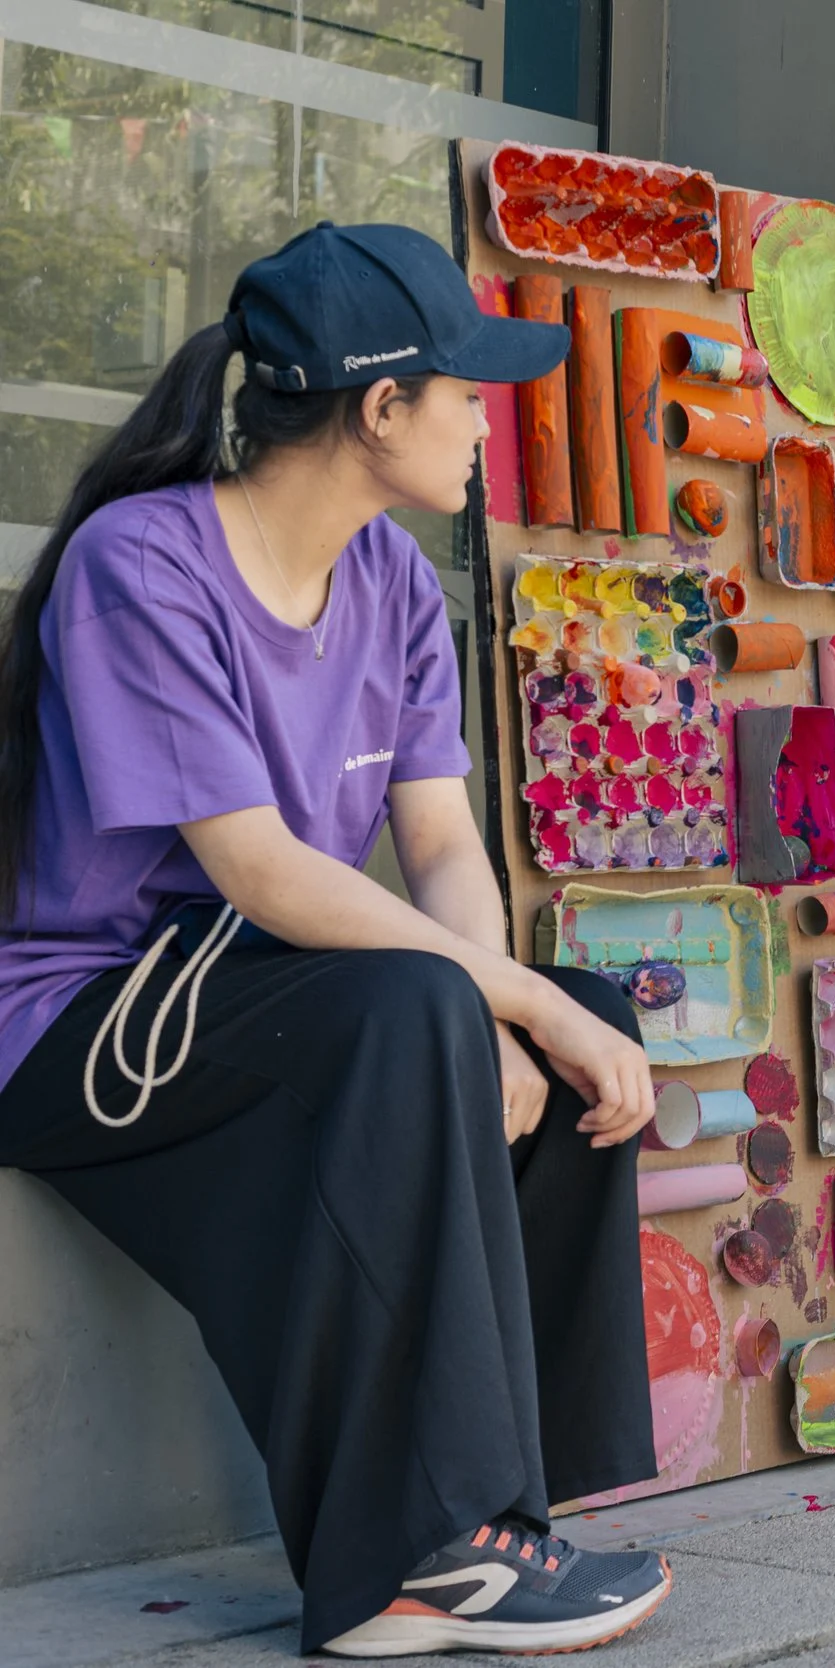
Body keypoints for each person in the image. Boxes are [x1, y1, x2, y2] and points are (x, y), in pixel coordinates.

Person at [0, 223, 673, 1656]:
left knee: (566, 1002)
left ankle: (502, 1514)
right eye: (466, 393)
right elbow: (258, 869)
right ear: (381, 409)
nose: (488, 424)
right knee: (440, 1013)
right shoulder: (146, 560)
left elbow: (441, 846)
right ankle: (412, 1554)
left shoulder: (395, 587)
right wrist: (486, 1010)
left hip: (256, 994)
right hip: (83, 1018)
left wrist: (516, 1013)